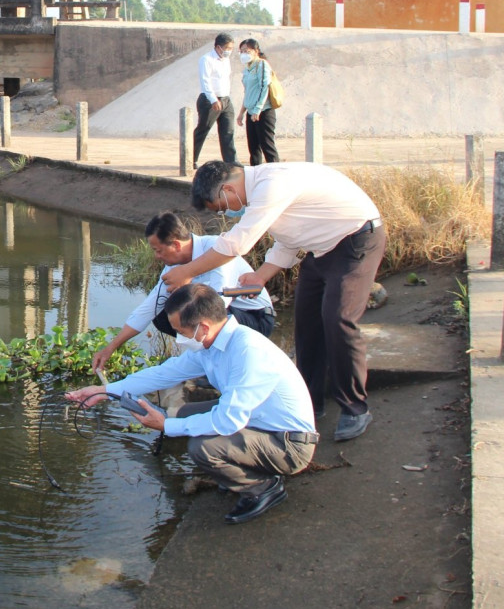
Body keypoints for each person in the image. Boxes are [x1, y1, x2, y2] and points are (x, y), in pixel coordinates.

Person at [162, 161, 386, 443]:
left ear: (228, 189)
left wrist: (187, 271)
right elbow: (289, 240)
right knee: (307, 324)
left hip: (356, 240)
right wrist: (261, 276)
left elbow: (236, 243)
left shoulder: (272, 184)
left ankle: (355, 408)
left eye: (221, 207)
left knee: (338, 319)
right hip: (321, 251)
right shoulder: (262, 194)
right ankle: (310, 402)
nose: (227, 213)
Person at [67, 284, 318, 525]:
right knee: (183, 414)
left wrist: (166, 426)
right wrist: (105, 391)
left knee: (203, 448)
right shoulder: (212, 345)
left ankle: (263, 488)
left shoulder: (248, 352)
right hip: (257, 421)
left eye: (182, 332)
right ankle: (243, 468)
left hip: (289, 444)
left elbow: (227, 421)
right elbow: (163, 374)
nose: (179, 339)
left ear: (203, 327)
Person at [91, 211, 275, 375]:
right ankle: (205, 361)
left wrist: (187, 288)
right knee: (162, 313)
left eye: (158, 250)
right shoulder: (173, 267)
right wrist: (110, 348)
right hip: (219, 316)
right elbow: (148, 308)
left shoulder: (217, 250)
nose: (156, 256)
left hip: (254, 317)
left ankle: (220, 365)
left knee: (197, 310)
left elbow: (218, 306)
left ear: (176, 245)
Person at [191, 32, 238, 166]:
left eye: (231, 48)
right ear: (218, 47)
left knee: (228, 131)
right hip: (210, 100)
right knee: (203, 129)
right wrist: (213, 99)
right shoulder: (206, 60)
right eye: (227, 48)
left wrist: (225, 97)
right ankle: (191, 159)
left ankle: (231, 162)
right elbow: (205, 81)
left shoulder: (226, 60)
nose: (229, 51)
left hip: (225, 99)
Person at [235, 38, 279, 166]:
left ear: (256, 51)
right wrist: (242, 112)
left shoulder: (262, 64)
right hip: (251, 112)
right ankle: (255, 173)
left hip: (263, 112)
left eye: (247, 51)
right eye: (242, 51)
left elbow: (264, 87)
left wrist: (258, 109)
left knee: (267, 146)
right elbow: (248, 92)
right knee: (253, 148)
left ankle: (275, 171)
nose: (244, 54)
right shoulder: (247, 69)